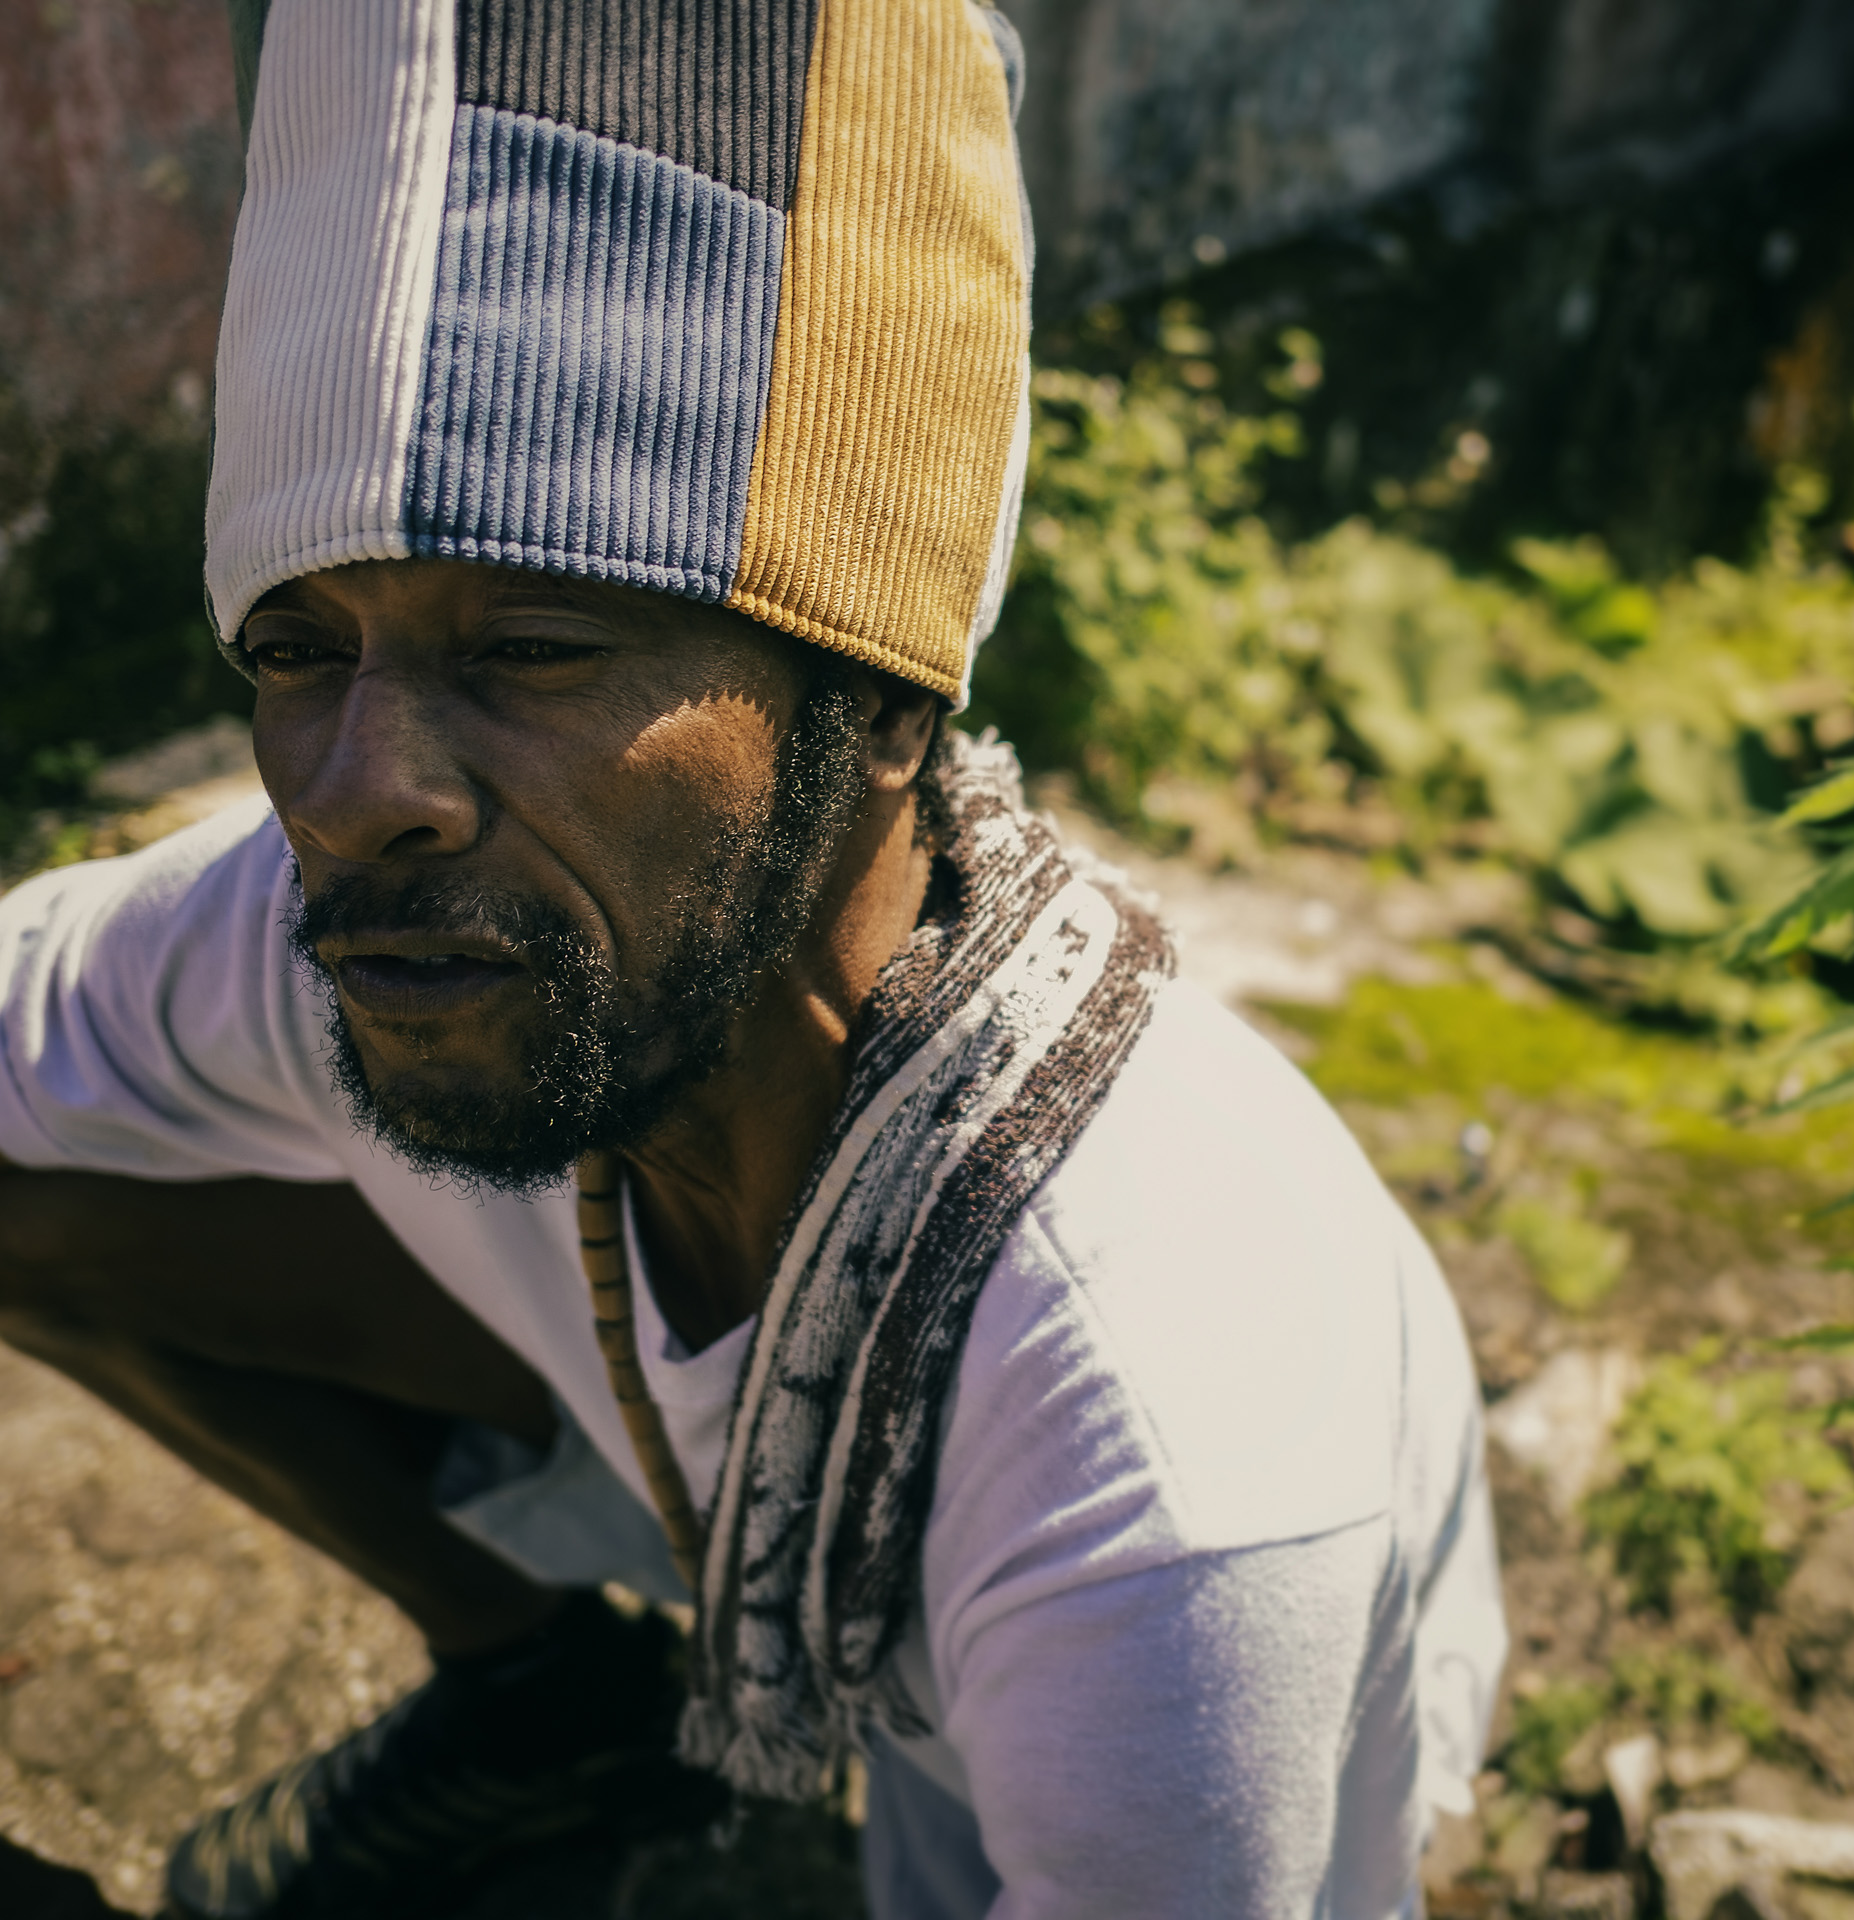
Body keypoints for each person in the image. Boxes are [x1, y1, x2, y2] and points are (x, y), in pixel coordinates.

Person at [0, 1, 1507, 1914]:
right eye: (299, 652)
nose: (360, 789)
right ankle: (556, 1699)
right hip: (700, 1495)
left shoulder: (1152, 1459)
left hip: (1038, 1718)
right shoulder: (426, 920)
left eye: (533, 651)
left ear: (878, 712)